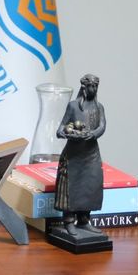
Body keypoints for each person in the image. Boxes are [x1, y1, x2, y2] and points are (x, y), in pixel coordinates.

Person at [52, 74, 107, 239]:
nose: (94, 89)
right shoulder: (73, 106)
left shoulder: (99, 107)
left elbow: (102, 126)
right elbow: (61, 128)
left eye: (96, 86)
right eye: (91, 86)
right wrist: (66, 133)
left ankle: (84, 219)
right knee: (71, 187)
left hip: (91, 154)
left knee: (91, 185)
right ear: (84, 87)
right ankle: (69, 220)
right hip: (73, 155)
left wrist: (93, 134)